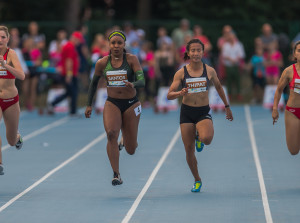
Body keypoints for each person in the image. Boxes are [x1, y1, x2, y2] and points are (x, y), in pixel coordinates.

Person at [167, 39, 233, 192]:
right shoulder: (181, 72)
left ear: (203, 52)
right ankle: (197, 179)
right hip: (187, 113)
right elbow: (169, 95)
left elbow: (219, 88)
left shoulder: (209, 70)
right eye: (193, 51)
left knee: (207, 139)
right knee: (189, 150)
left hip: (203, 111)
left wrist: (227, 106)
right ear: (188, 53)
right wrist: (180, 92)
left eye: (199, 50)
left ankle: (199, 137)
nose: (196, 53)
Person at [85, 30, 145, 185]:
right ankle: (116, 174)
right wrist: (88, 104)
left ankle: (127, 139)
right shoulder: (102, 63)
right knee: (111, 134)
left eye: (119, 43)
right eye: (113, 43)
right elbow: (93, 84)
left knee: (131, 150)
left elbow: (142, 80)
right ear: (109, 45)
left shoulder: (131, 59)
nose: (116, 46)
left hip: (131, 104)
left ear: (124, 45)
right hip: (112, 103)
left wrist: (133, 83)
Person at [0, 26, 25, 175]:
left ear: (8, 39)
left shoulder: (12, 54)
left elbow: (21, 75)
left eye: (3, 37)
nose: (0, 40)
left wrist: (5, 65)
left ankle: (17, 138)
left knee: (10, 140)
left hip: (10, 100)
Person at [272, 41, 300, 155]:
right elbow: (279, 90)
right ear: (294, 54)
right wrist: (275, 109)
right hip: (293, 112)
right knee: (293, 150)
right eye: (299, 51)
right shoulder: (288, 71)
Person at [47, 31, 83, 116]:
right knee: (73, 92)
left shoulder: (69, 46)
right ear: (75, 38)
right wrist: (69, 74)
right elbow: (68, 61)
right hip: (69, 74)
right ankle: (73, 111)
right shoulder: (70, 46)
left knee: (69, 92)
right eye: (78, 40)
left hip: (70, 73)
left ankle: (52, 104)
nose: (78, 43)